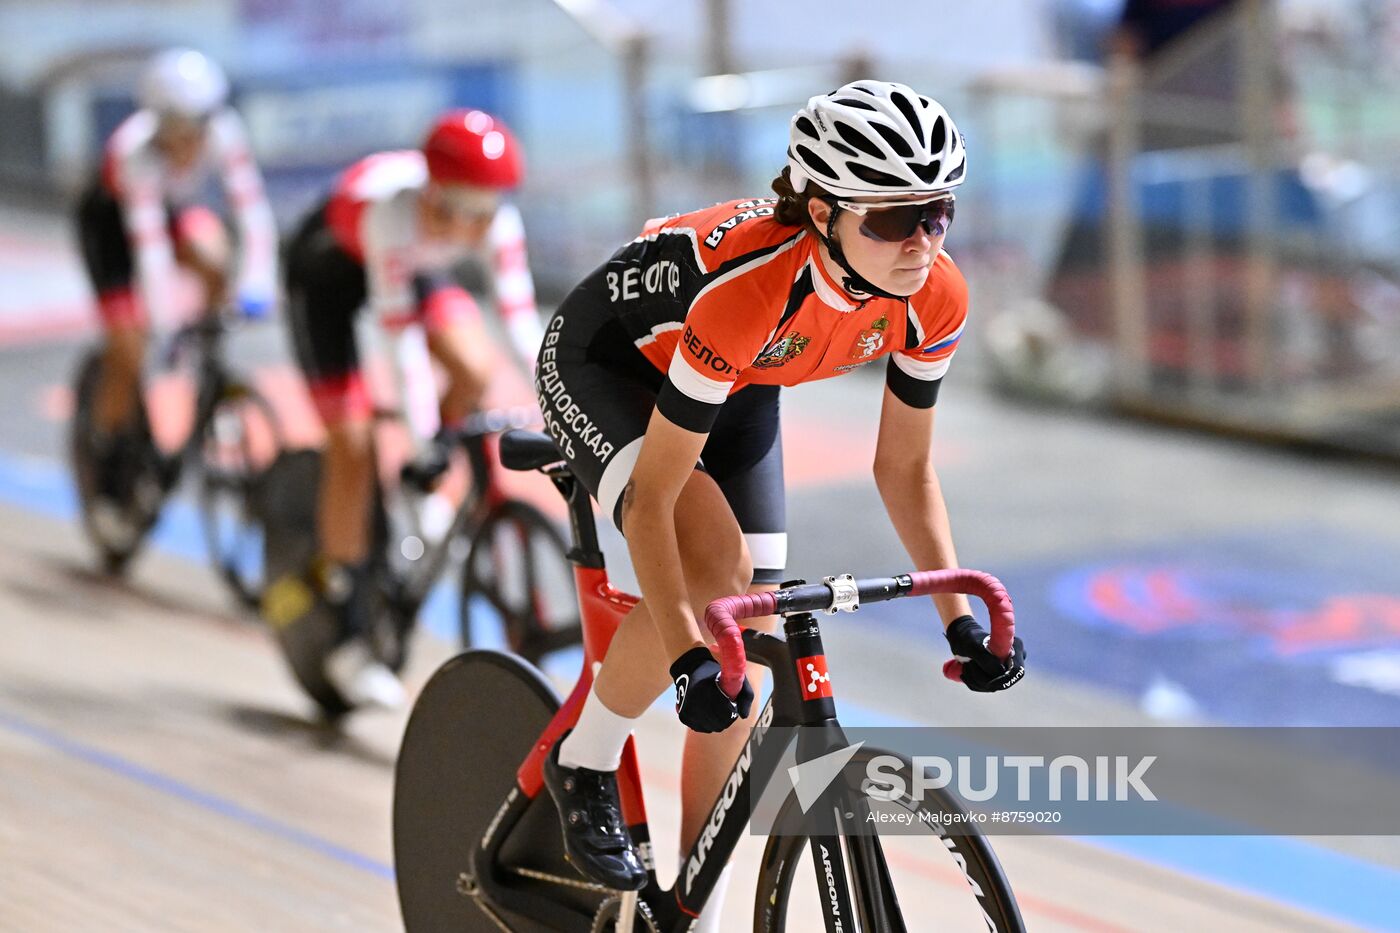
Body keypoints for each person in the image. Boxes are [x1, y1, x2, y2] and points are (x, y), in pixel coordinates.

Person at [533, 80, 1026, 922]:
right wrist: (687, 653)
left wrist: (959, 620)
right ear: (825, 213)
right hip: (611, 364)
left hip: (739, 377)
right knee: (715, 577)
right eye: (890, 219)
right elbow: (652, 503)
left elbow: (905, 470)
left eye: (937, 213)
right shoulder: (752, 292)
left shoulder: (935, 292)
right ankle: (584, 758)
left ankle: (694, 907)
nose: (921, 242)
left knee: (746, 639)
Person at [276, 109, 545, 709]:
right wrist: (426, 440)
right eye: (463, 210)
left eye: (487, 210)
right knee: (352, 444)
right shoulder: (393, 217)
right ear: (431, 194)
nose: (478, 226)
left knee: (475, 368)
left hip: (413, 266)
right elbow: (401, 346)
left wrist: (559, 400)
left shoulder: (491, 219)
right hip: (327, 282)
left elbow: (521, 320)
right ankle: (345, 629)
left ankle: (415, 490)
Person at [75, 48, 278, 519]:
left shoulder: (225, 133)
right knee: (129, 347)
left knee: (215, 255)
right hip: (112, 229)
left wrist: (256, 282)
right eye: (176, 132)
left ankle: (207, 357)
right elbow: (150, 253)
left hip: (166, 210)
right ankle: (104, 453)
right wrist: (164, 329)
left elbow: (252, 213)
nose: (189, 143)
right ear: (157, 124)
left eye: (197, 128)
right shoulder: (134, 153)